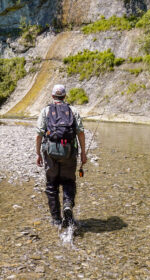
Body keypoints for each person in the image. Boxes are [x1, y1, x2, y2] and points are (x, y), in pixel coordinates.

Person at [35, 84, 87, 228]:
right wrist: (83, 153)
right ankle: (67, 205)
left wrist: (38, 153)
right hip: (69, 152)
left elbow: (39, 134)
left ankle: (56, 219)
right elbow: (80, 133)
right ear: (65, 96)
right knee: (69, 181)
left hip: (50, 152)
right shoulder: (73, 110)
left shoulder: (46, 111)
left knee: (51, 184)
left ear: (52, 96)